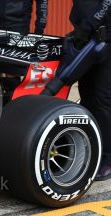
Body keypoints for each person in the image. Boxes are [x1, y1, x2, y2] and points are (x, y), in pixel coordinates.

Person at [66, 0, 111, 180]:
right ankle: (92, 148)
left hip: (105, 38)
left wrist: (87, 26)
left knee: (102, 99)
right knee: (87, 96)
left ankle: (107, 158)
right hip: (84, 37)